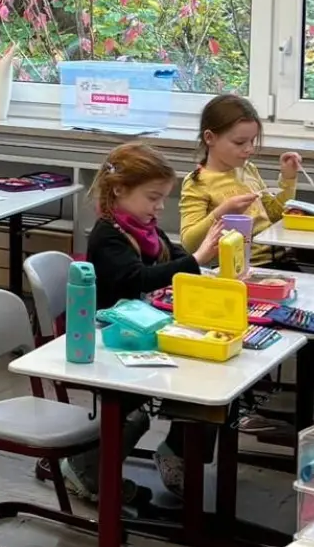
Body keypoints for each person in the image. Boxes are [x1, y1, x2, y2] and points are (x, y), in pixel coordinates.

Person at [56, 143, 223, 502]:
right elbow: (138, 280)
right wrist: (195, 260)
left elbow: (175, 258)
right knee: (134, 416)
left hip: (142, 331)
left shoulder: (146, 229)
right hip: (109, 342)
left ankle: (176, 453)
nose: (160, 207)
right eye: (153, 198)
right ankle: (86, 471)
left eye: (163, 198)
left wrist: (203, 267)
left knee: (209, 389)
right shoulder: (108, 235)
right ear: (119, 191)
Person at [179, 93, 302, 270]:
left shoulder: (248, 170)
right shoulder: (197, 183)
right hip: (239, 269)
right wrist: (223, 212)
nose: (250, 149)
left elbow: (274, 216)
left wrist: (289, 179)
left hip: (280, 261)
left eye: (252, 141)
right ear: (209, 138)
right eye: (239, 142)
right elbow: (190, 244)